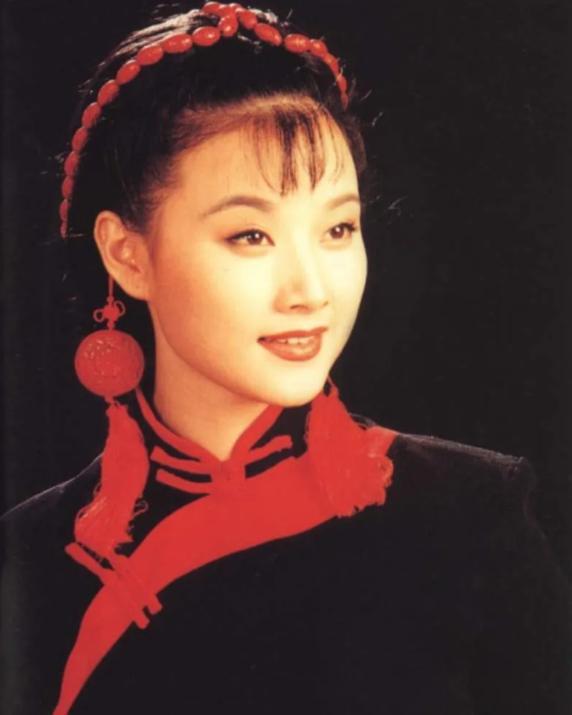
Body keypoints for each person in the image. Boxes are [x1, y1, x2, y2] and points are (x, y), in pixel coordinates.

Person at [1, 3, 570, 714]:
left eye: (338, 228)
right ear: (127, 255)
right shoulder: (28, 557)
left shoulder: (471, 516)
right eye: (251, 236)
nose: (310, 290)